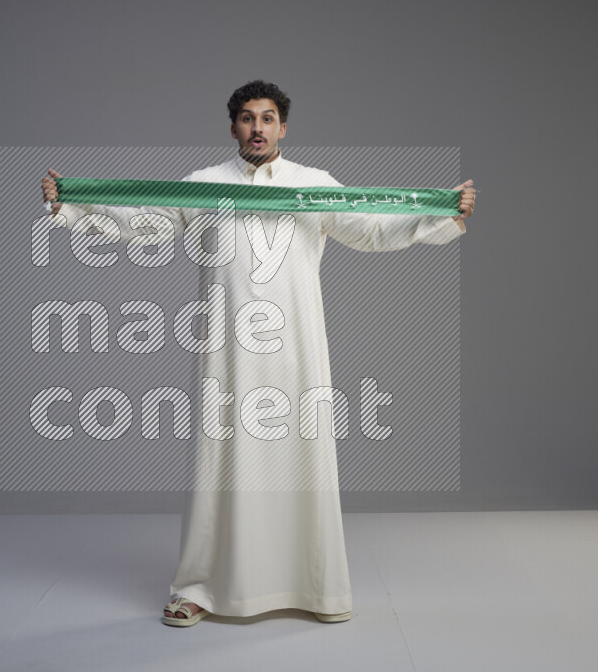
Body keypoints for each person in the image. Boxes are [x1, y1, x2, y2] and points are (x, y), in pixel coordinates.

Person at [41, 80, 476, 627]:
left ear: (283, 128)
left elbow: (368, 229)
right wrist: (74, 202)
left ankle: (314, 588)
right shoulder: (204, 186)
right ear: (232, 129)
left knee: (300, 458)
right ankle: (199, 588)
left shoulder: (312, 185)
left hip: (297, 347)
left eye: (268, 119)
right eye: (247, 119)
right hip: (225, 350)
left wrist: (441, 214)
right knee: (219, 465)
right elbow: (146, 222)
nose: (258, 128)